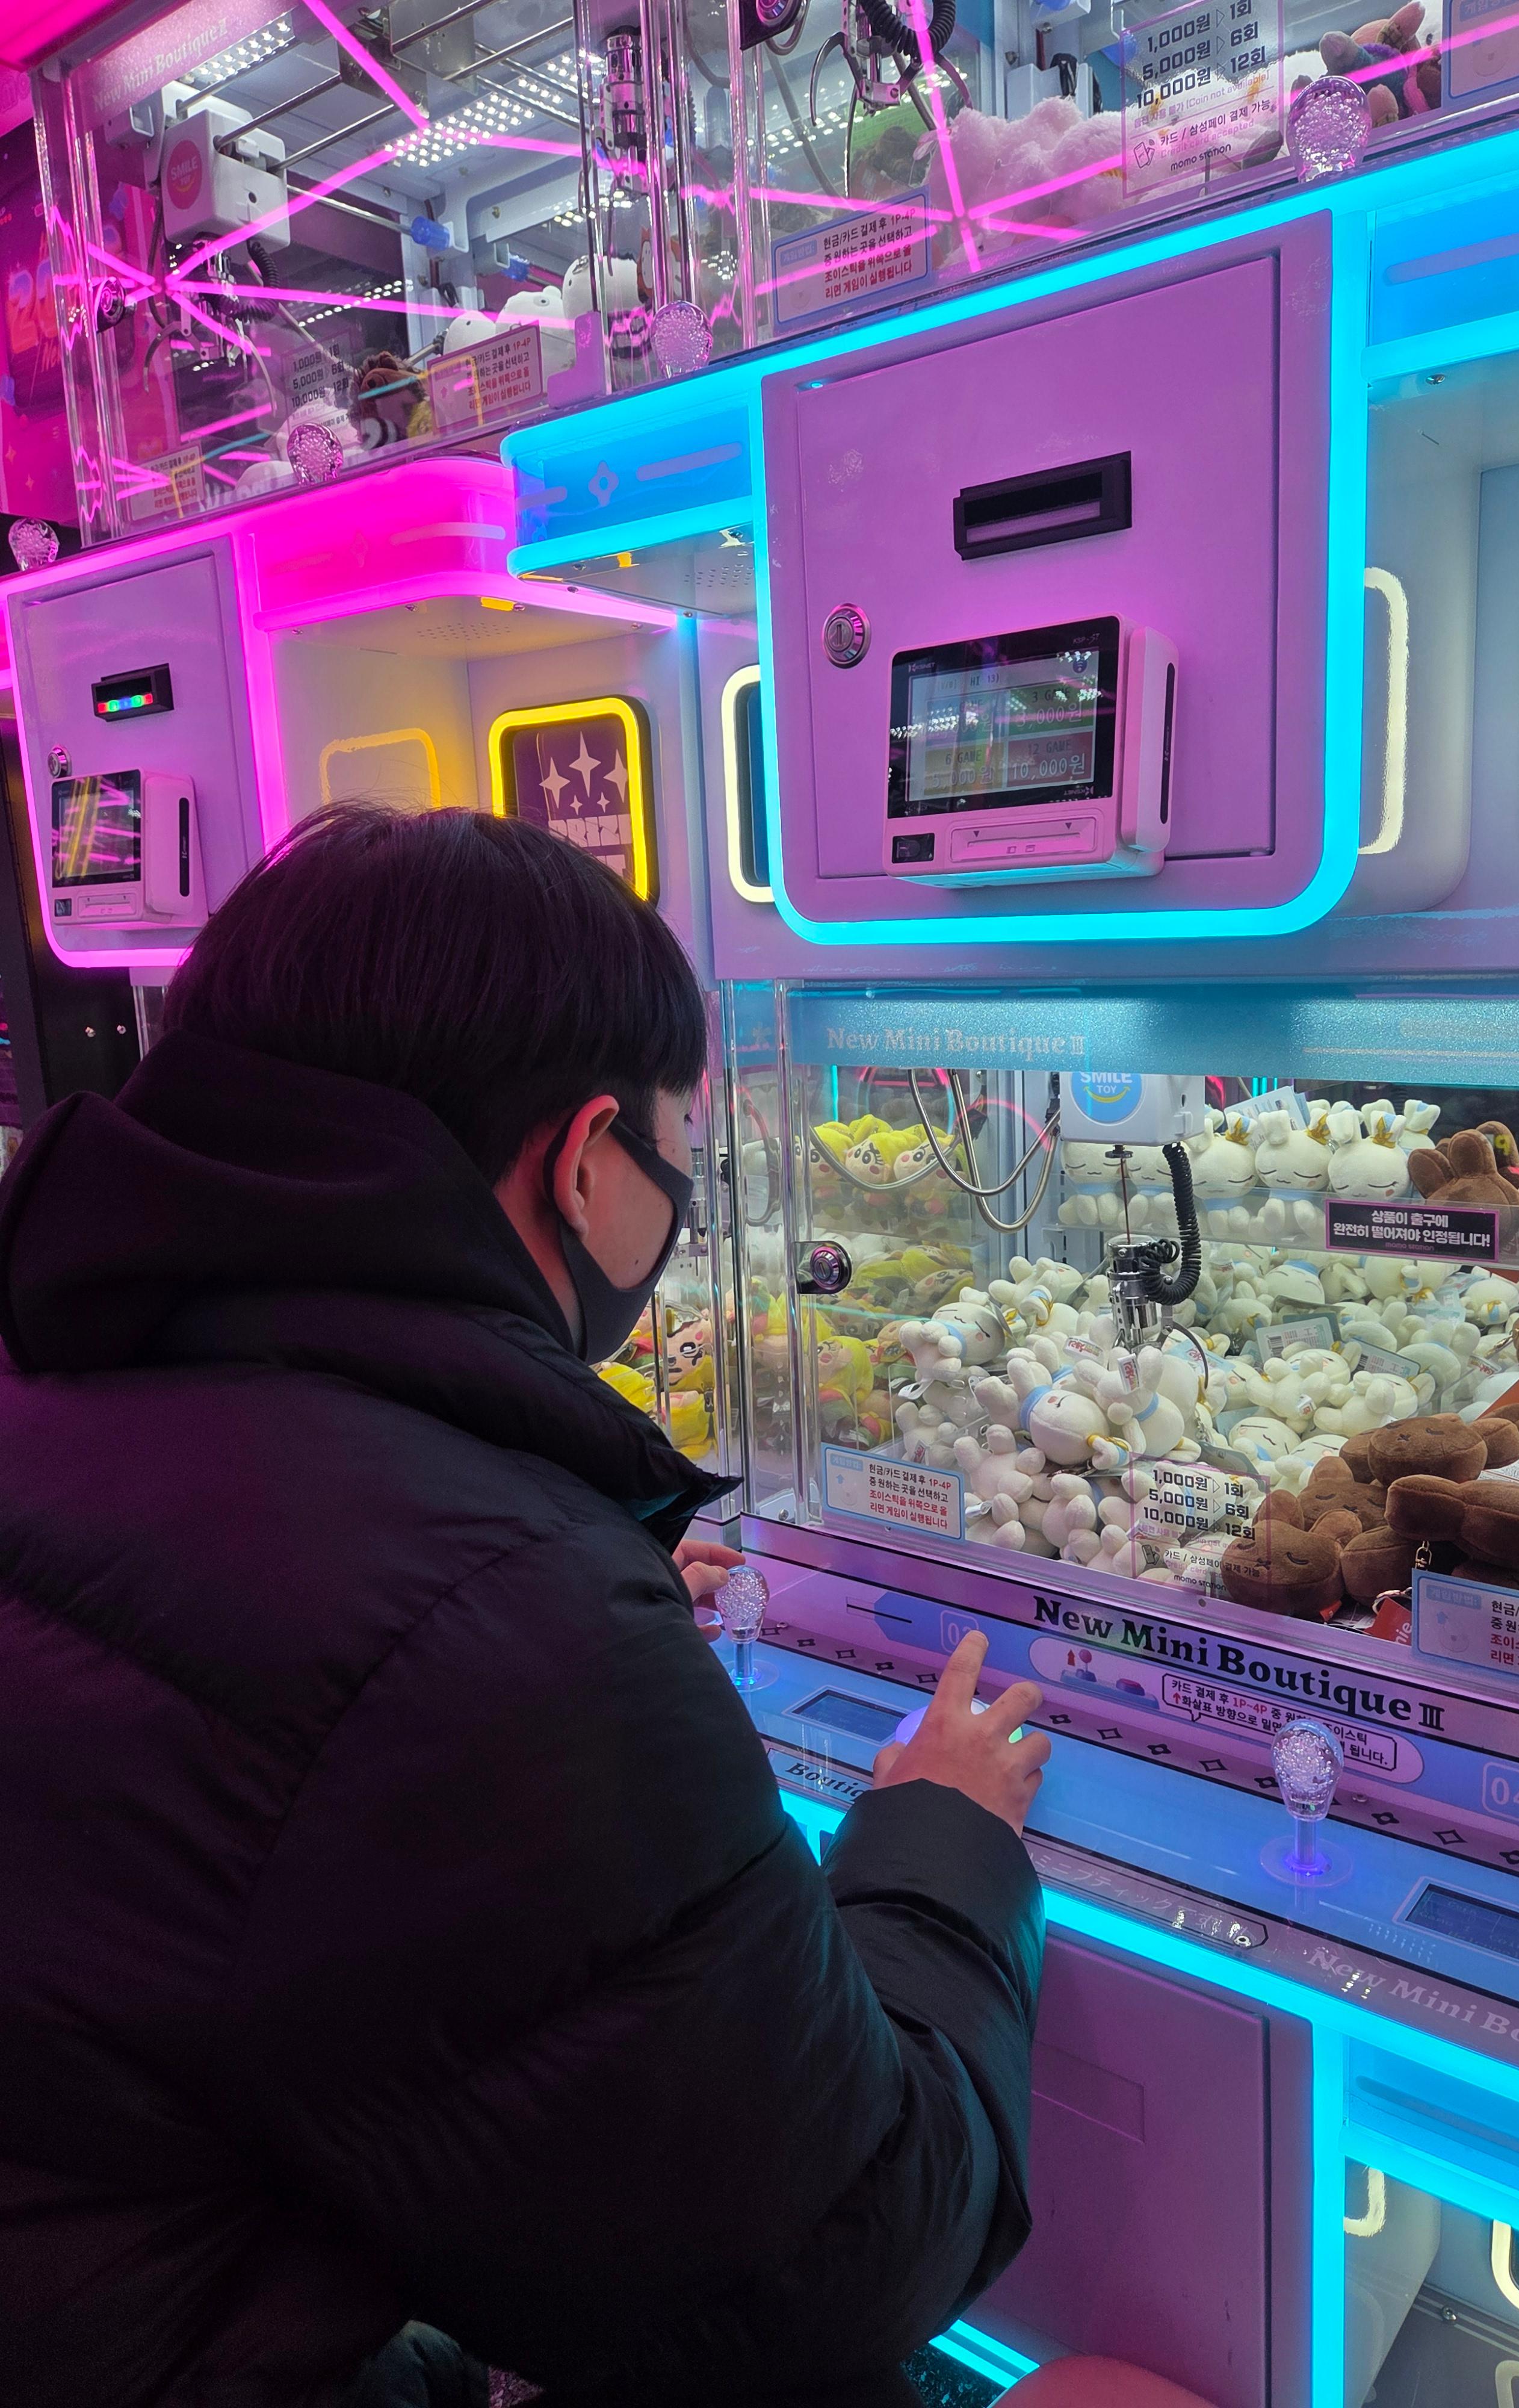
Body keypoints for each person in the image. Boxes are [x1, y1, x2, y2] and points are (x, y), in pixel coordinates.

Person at [0, 804, 1050, 2408]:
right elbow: (835, 2254)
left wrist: (554, 1590)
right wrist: (940, 1850)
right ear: (583, 1160)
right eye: (680, 1159)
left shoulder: (54, 1364)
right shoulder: (494, 1639)